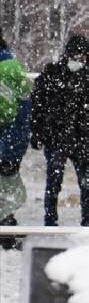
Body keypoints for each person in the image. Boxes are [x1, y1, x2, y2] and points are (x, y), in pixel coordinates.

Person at [30, 33, 89, 226]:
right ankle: (50, 220)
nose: (79, 61)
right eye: (76, 57)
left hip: (83, 137)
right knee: (54, 182)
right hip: (58, 137)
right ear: (68, 55)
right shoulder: (52, 75)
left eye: (82, 58)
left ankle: (88, 220)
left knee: (88, 184)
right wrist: (38, 131)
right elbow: (38, 105)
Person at [0, 33, 33, 234]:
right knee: (7, 188)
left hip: (7, 139)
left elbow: (21, 112)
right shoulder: (13, 68)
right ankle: (7, 226)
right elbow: (24, 112)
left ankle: (6, 227)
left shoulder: (8, 69)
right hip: (9, 140)